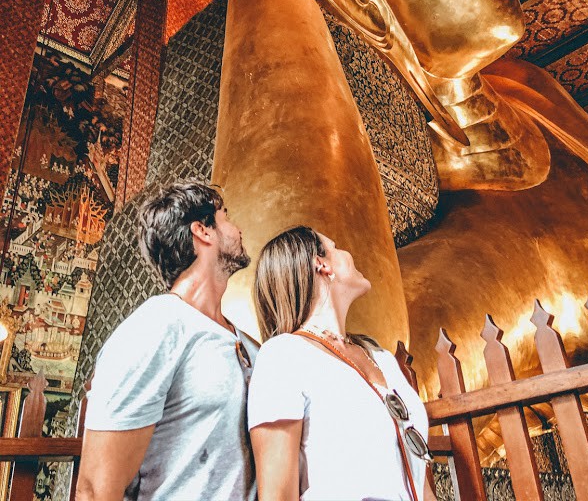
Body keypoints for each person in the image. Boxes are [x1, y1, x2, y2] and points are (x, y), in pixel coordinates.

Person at [76, 181, 258, 501]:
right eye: (225, 217)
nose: (237, 227)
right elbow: (95, 489)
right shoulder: (157, 328)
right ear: (203, 231)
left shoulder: (249, 344)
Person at [248, 226, 429, 501]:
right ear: (321, 264)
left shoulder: (382, 359)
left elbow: (419, 477)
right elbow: (277, 495)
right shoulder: (283, 357)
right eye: (336, 247)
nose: (349, 253)